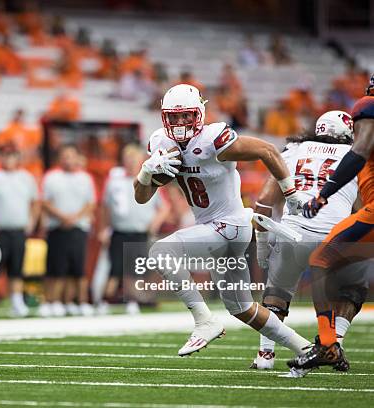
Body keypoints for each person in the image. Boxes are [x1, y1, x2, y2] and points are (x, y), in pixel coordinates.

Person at [134, 84, 311, 360]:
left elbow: (267, 150)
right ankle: (307, 348)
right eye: (174, 117)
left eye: (186, 116)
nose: (180, 123)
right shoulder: (161, 144)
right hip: (218, 231)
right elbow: (142, 198)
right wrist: (145, 174)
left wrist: (290, 192)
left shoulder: (212, 139)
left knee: (160, 251)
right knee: (242, 308)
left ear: (200, 114)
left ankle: (205, 321)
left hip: (230, 225)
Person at [252, 111, 369, 374]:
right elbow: (362, 208)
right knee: (353, 289)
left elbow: (263, 202)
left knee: (276, 294)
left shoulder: (293, 149)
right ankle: (333, 345)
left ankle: (265, 354)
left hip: (292, 234)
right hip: (333, 238)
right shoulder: (355, 155)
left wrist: (261, 245)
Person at [289, 75, 374, 372]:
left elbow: (359, 151)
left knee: (320, 261)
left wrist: (324, 194)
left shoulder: (368, 106)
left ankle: (327, 345)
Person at [98, 144, 169, 315]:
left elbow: (164, 207)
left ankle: (132, 299)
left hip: (139, 232)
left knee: (135, 269)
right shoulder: (114, 182)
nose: (130, 162)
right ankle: (105, 300)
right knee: (115, 267)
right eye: (128, 158)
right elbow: (105, 207)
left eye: (134, 159)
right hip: (119, 230)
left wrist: (154, 223)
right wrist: (103, 229)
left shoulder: (149, 179)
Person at [39, 144, 96, 317]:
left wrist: (75, 218)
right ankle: (51, 301)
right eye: (64, 156)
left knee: (77, 267)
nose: (67, 159)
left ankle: (76, 301)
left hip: (78, 227)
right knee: (55, 267)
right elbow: (45, 202)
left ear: (77, 157)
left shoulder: (85, 178)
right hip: (57, 227)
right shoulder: (52, 177)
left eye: (71, 156)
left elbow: (90, 203)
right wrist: (63, 217)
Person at [0, 143, 39, 317]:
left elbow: (35, 201)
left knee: (16, 268)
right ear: (0, 158)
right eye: (5, 156)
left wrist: (32, 221)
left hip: (18, 229)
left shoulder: (26, 178)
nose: (8, 159)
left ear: (18, 158)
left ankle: (17, 301)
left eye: (12, 156)